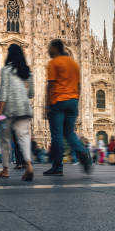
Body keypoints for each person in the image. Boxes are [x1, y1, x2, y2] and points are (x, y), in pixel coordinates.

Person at [44, 39, 91, 176]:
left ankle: (57, 168)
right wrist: (76, 100)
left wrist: (47, 105)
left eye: (50, 48)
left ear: (55, 48)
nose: (48, 51)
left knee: (57, 135)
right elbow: (79, 86)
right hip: (73, 102)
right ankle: (83, 152)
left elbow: (51, 85)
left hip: (58, 102)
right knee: (69, 133)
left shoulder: (54, 63)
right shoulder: (74, 63)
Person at [0, 43, 35, 181]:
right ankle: (29, 165)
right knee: (23, 137)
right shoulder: (28, 72)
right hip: (24, 108)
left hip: (9, 111)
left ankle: (5, 170)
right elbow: (31, 94)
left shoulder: (6, 70)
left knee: (5, 140)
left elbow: (3, 93)